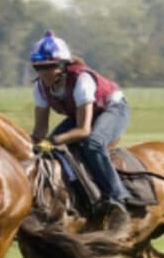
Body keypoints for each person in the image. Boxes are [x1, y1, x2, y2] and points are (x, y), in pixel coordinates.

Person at [29, 30, 131, 229]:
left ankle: (118, 199)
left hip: (111, 108)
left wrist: (53, 141)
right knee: (51, 149)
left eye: (49, 67)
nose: (44, 73)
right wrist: (34, 145)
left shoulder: (82, 81)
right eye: (38, 67)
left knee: (92, 144)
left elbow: (83, 130)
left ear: (62, 65)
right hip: (83, 113)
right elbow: (40, 131)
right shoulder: (39, 88)